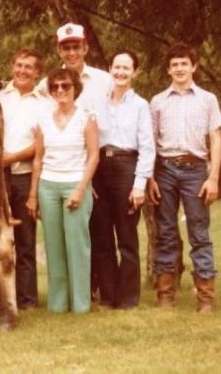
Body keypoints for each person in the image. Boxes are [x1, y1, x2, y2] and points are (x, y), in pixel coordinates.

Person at [148, 42, 221, 313]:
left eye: (184, 63)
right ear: (168, 70)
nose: (179, 68)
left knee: (199, 233)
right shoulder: (157, 101)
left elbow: (215, 139)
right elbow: (151, 142)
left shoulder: (207, 99)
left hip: (196, 171)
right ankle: (165, 294)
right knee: (166, 232)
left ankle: (205, 298)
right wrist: (150, 178)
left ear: (194, 67)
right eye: (174, 64)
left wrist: (213, 177)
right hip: (165, 169)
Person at [27, 68, 99, 313]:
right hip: (48, 186)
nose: (60, 90)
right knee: (54, 246)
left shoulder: (86, 119)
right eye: (55, 86)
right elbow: (38, 159)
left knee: (77, 246)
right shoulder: (44, 120)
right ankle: (58, 304)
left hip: (75, 184)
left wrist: (80, 189)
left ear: (75, 89)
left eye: (65, 86)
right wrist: (33, 195)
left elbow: (93, 157)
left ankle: (80, 304)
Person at [0, 48, 45, 313]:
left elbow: (42, 144)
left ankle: (27, 299)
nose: (22, 71)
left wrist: (13, 157)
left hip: (24, 175)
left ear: (37, 72)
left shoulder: (44, 103)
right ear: (12, 66)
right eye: (19, 65)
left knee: (26, 240)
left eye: (28, 67)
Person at [91, 50, 155, 309]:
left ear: (135, 72)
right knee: (102, 235)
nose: (120, 72)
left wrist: (139, 184)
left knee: (126, 235)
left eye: (126, 68)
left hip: (127, 167)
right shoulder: (98, 104)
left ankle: (128, 298)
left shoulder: (141, 105)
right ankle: (108, 295)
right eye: (116, 67)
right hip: (100, 167)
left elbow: (148, 147)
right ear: (110, 69)